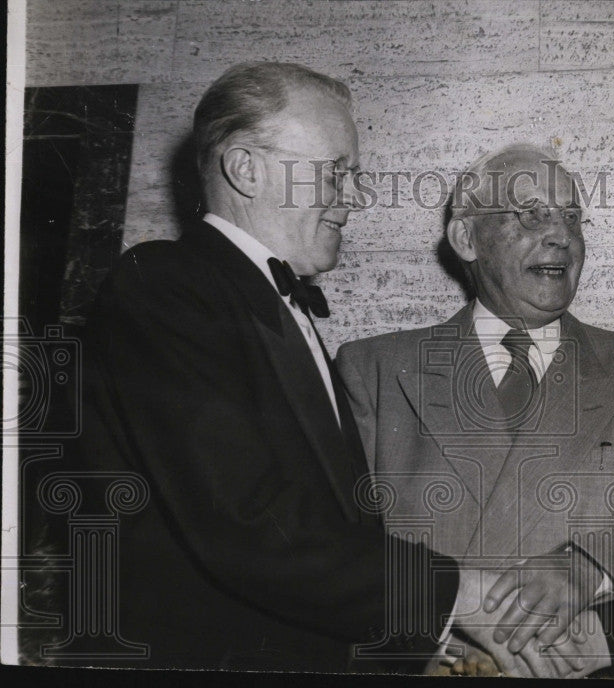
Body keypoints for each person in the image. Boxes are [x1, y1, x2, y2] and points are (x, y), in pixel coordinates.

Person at [78, 62, 543, 674]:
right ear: (246, 169)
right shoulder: (164, 285)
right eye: (335, 174)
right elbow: (248, 528)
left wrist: (415, 650)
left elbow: (328, 531)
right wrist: (459, 595)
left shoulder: (269, 303)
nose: (355, 198)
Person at [337, 144, 614, 679]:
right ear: (465, 239)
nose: (562, 235)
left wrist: (590, 567)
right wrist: (423, 641)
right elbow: (333, 552)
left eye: (572, 217)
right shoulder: (374, 369)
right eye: (531, 214)